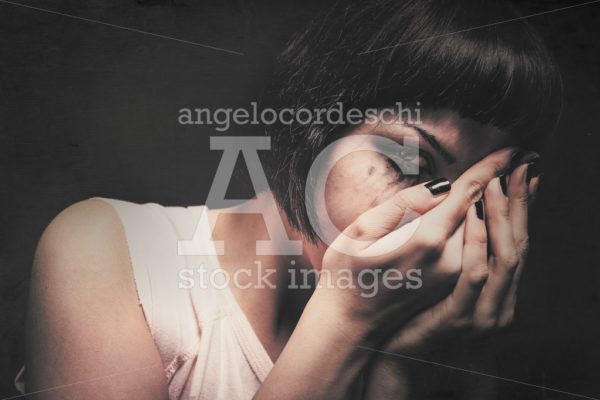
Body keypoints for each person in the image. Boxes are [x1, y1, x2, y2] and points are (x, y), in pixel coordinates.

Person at [21, 0, 562, 398]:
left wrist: (397, 370)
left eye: (482, 195)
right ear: (315, 127)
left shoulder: (452, 337)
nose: (438, 226)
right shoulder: (113, 253)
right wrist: (348, 321)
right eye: (409, 164)